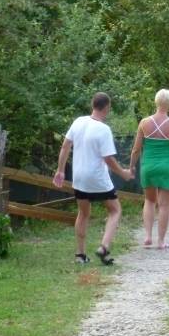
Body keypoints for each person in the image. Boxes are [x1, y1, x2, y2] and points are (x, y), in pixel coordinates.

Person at [54, 92, 133, 265]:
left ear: (93, 105)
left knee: (83, 213)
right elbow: (109, 159)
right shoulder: (103, 129)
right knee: (115, 210)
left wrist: (60, 170)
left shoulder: (79, 121)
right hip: (97, 179)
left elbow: (66, 145)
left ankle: (80, 255)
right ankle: (104, 248)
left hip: (79, 178)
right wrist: (123, 173)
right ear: (107, 107)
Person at [130, 88, 169, 250]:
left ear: (156, 102)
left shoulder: (143, 123)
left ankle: (147, 236)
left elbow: (136, 149)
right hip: (167, 167)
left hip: (148, 166)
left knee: (149, 201)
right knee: (164, 205)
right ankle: (161, 241)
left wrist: (131, 166)